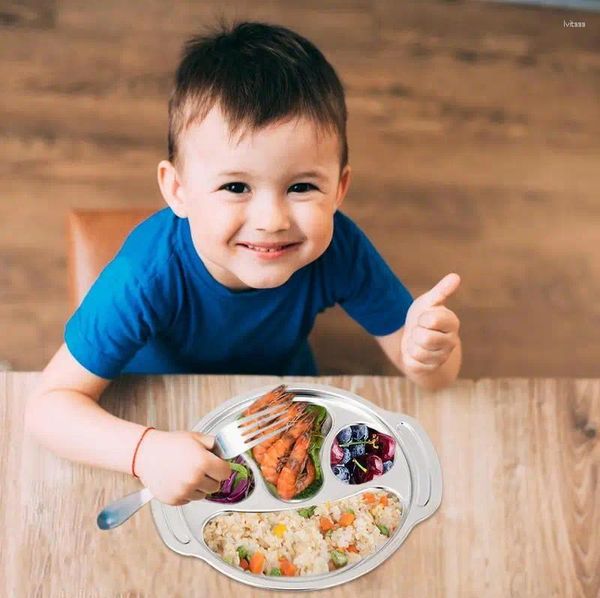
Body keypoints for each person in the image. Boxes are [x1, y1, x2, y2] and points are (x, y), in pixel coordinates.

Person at [25, 20, 462, 507]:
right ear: (178, 190)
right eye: (236, 187)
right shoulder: (145, 276)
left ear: (339, 189)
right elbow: (47, 409)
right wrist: (143, 451)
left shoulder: (340, 249)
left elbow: (433, 376)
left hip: (280, 402)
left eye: (301, 187)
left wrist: (429, 351)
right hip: (160, 410)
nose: (271, 220)